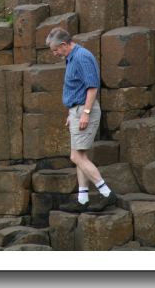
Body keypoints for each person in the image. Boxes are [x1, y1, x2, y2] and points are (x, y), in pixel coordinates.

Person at [46, 27, 116, 210]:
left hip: (85, 111)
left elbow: (92, 87)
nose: (54, 54)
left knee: (75, 156)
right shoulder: (70, 57)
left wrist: (84, 113)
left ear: (63, 44)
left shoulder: (81, 56)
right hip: (76, 111)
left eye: (55, 50)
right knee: (80, 155)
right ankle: (82, 199)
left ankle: (107, 193)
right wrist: (72, 114)